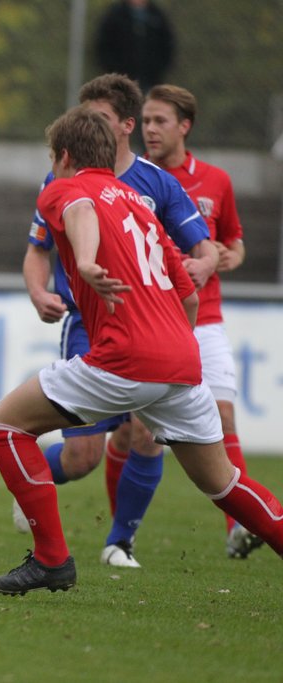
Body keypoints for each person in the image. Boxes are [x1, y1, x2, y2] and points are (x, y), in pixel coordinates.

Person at [0, 105, 283, 596]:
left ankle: (51, 560)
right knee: (224, 483)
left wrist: (85, 261)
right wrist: (174, 350)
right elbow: (189, 295)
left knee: (6, 427)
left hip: (123, 357)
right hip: (182, 359)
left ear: (65, 156)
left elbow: (81, 211)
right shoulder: (139, 205)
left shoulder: (64, 187)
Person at [20, 73, 218, 568]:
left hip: (148, 329)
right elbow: (38, 248)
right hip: (89, 325)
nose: (89, 125)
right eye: (85, 116)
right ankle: (32, 480)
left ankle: (120, 542)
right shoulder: (62, 179)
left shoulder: (157, 182)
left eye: (101, 118)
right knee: (81, 458)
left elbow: (203, 247)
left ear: (125, 126)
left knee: (144, 436)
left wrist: (204, 265)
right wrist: (39, 291)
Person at [142, 84, 262, 559]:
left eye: (160, 121)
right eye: (145, 121)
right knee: (135, 436)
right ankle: (120, 537)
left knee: (223, 415)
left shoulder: (216, 180)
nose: (149, 129)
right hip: (150, 318)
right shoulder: (132, 178)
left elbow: (234, 239)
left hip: (205, 317)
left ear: (184, 126)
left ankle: (239, 528)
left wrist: (227, 257)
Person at [96, 0, 175, 94]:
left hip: (150, 80)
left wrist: (157, 69)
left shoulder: (157, 15)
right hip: (120, 80)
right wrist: (114, 70)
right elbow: (103, 46)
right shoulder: (115, 15)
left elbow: (167, 45)